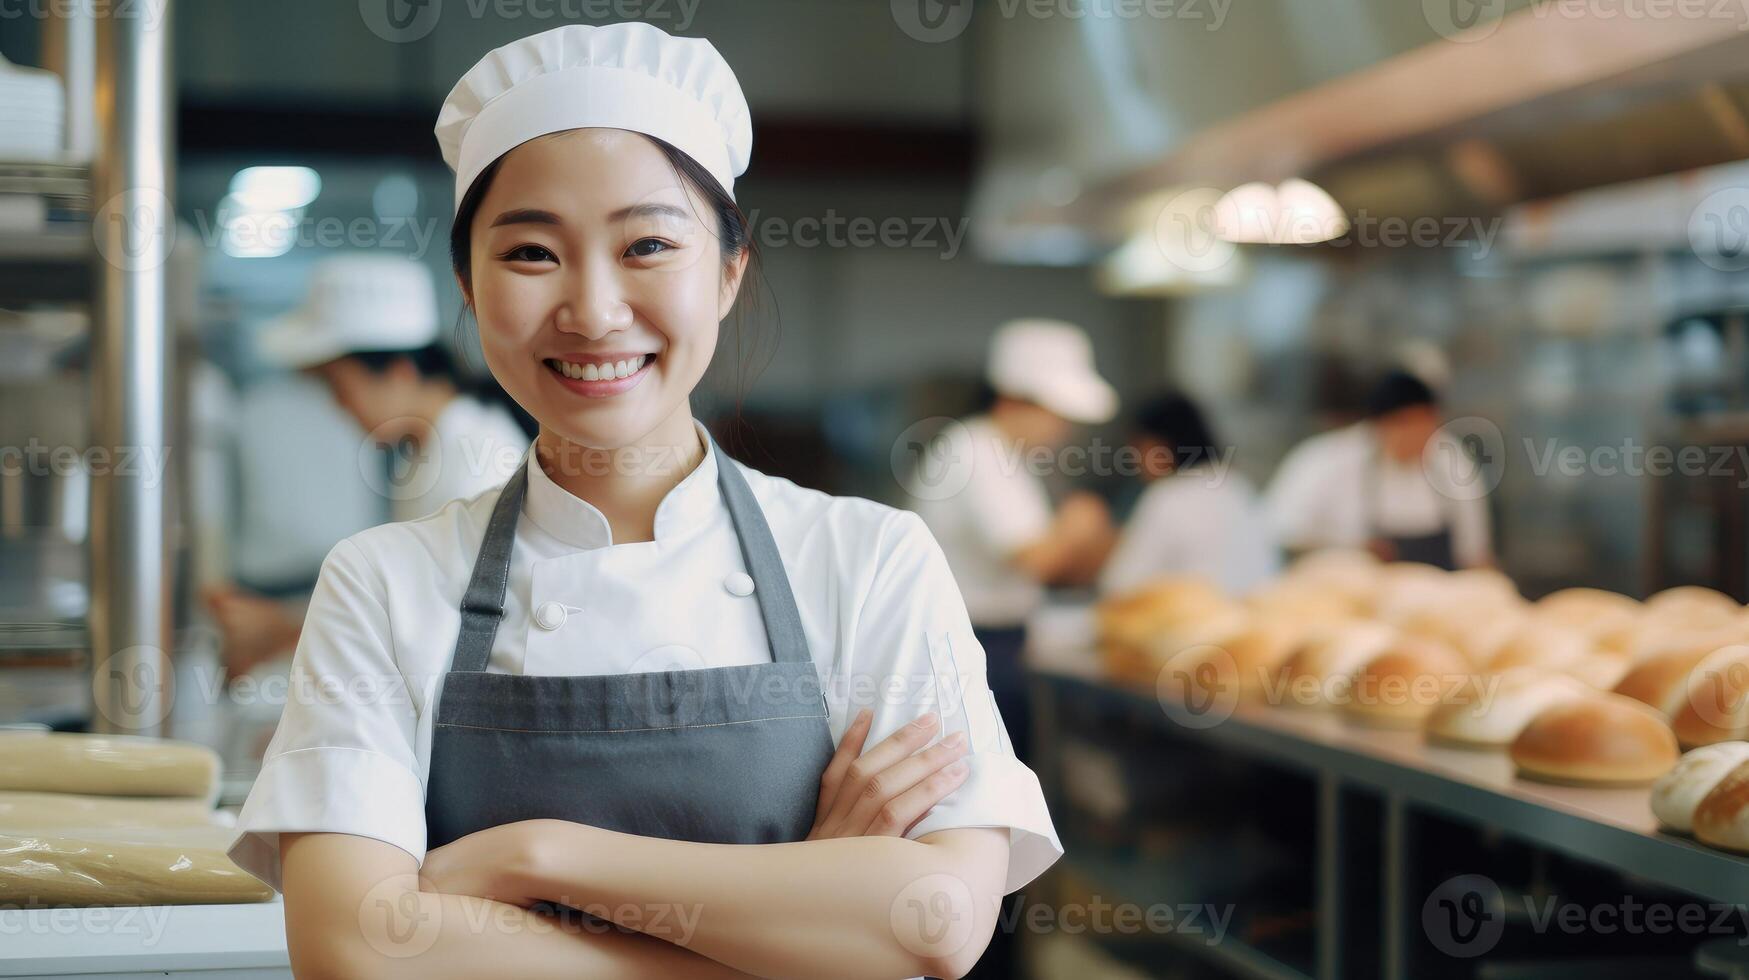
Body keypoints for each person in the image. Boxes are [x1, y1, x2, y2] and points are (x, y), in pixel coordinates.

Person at [225, 23, 1061, 980]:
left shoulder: (869, 560)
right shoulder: (379, 584)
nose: (592, 309)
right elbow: (354, 950)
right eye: (532, 252)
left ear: (729, 274)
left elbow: (934, 922)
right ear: (468, 285)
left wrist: (532, 855)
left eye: (649, 245)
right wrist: (804, 917)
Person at [203, 253, 533, 680]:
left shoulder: (474, 459)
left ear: (398, 372)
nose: (339, 408)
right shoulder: (426, 451)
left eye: (339, 388)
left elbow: (443, 628)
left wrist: (283, 629)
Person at [905, 318, 1119, 767]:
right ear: (1014, 400)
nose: (1063, 430)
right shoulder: (976, 452)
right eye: (1056, 415)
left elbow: (1062, 563)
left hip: (1002, 639)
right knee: (986, 772)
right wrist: (1080, 524)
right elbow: (1036, 559)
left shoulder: (1008, 457)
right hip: (975, 642)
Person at [1264, 369, 1493, 570]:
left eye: (1426, 426)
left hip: (1440, 603)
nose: (1418, 438)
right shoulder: (1324, 463)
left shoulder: (1454, 461)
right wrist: (1351, 553)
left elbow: (1475, 556)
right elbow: (1285, 541)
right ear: (1378, 425)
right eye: (1404, 425)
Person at [1098, 392, 1280, 597]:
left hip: (1195, 620)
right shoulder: (1238, 487)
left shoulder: (1169, 496)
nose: (1134, 461)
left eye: (1137, 449)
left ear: (1159, 446)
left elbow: (1120, 584)